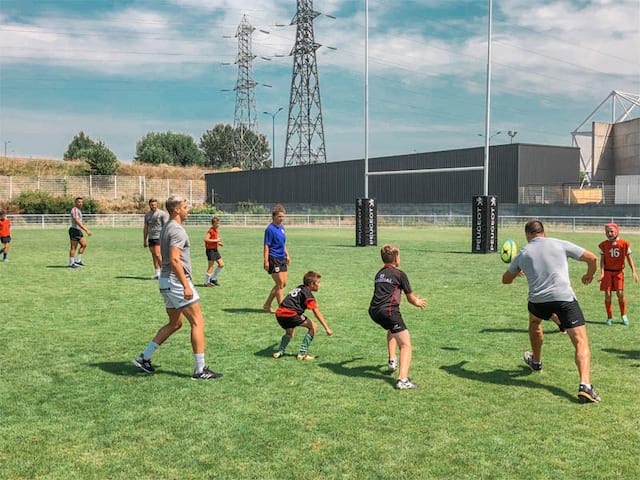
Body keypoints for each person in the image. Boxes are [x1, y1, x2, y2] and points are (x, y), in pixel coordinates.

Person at [502, 220, 601, 403]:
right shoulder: (559, 243)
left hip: (538, 302)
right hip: (564, 299)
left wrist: (517, 271)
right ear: (544, 232)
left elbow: (505, 280)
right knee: (580, 341)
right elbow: (592, 258)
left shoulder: (523, 253)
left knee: (534, 322)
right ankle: (585, 385)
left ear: (527, 235)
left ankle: (536, 361)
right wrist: (590, 274)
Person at [133, 195, 222, 380]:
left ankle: (144, 357)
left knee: (175, 323)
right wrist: (186, 286)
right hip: (176, 281)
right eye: (185, 206)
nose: (188, 209)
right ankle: (200, 370)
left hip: (165, 281)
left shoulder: (167, 227)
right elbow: (174, 259)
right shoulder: (177, 230)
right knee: (198, 321)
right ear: (176, 209)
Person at [368, 244, 426, 390]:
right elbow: (411, 299)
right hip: (389, 311)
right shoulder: (400, 274)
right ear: (395, 258)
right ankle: (403, 380)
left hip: (374, 311)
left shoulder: (379, 274)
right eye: (399, 255)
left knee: (392, 330)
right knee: (406, 345)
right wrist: (418, 302)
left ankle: (392, 360)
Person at [273, 271, 332, 360]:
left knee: (289, 332)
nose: (319, 285)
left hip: (280, 313)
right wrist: (327, 328)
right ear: (312, 284)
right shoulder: (308, 295)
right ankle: (302, 354)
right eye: (318, 283)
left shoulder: (299, 288)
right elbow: (316, 312)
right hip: (291, 314)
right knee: (313, 327)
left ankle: (280, 352)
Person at [598, 222, 638, 326]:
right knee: (607, 294)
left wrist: (634, 271)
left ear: (617, 231)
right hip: (607, 272)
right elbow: (602, 261)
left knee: (620, 294)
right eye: (607, 232)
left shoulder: (624, 244)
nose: (609, 233)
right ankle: (609, 317)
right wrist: (602, 273)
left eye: (611, 231)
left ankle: (624, 315)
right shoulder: (603, 245)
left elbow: (629, 259)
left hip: (618, 273)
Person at [263, 204, 290, 313]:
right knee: (279, 284)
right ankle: (282, 308)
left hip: (282, 257)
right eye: (279, 216)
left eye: (283, 216)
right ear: (273, 217)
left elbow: (283, 243)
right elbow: (266, 246)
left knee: (283, 283)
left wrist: (287, 254)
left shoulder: (282, 228)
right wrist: (266, 261)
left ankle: (267, 304)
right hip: (273, 258)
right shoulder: (270, 229)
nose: (281, 219)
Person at [143, 198, 169, 279]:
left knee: (158, 255)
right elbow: (146, 227)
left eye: (154, 204)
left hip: (159, 237)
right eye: (151, 204)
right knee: (154, 255)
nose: (153, 206)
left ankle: (164, 273)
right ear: (149, 205)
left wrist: (166, 238)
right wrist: (144, 239)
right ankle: (157, 273)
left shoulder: (162, 214)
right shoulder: (147, 215)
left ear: (157, 204)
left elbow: (166, 226)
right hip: (151, 238)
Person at [68, 196, 92, 268]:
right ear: (75, 202)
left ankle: (78, 261)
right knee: (73, 247)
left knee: (84, 244)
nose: (80, 203)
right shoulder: (74, 210)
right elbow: (77, 221)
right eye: (79, 202)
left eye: (81, 202)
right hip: (74, 230)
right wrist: (86, 230)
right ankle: (71, 263)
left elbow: (79, 221)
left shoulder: (78, 210)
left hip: (78, 230)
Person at [203, 216, 224, 286]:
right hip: (210, 250)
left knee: (221, 264)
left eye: (219, 223)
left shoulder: (215, 231)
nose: (218, 225)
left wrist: (218, 243)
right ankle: (206, 282)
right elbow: (206, 239)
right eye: (216, 223)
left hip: (215, 250)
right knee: (211, 267)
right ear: (213, 224)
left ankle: (213, 278)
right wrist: (216, 240)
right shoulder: (211, 230)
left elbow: (212, 240)